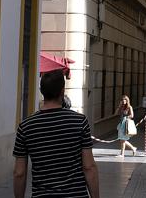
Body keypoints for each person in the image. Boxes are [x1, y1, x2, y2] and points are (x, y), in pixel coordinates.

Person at [12, 70, 100, 198]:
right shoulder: (79, 121)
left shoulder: (26, 126)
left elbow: (19, 172)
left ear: (41, 91)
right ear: (62, 91)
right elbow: (89, 166)